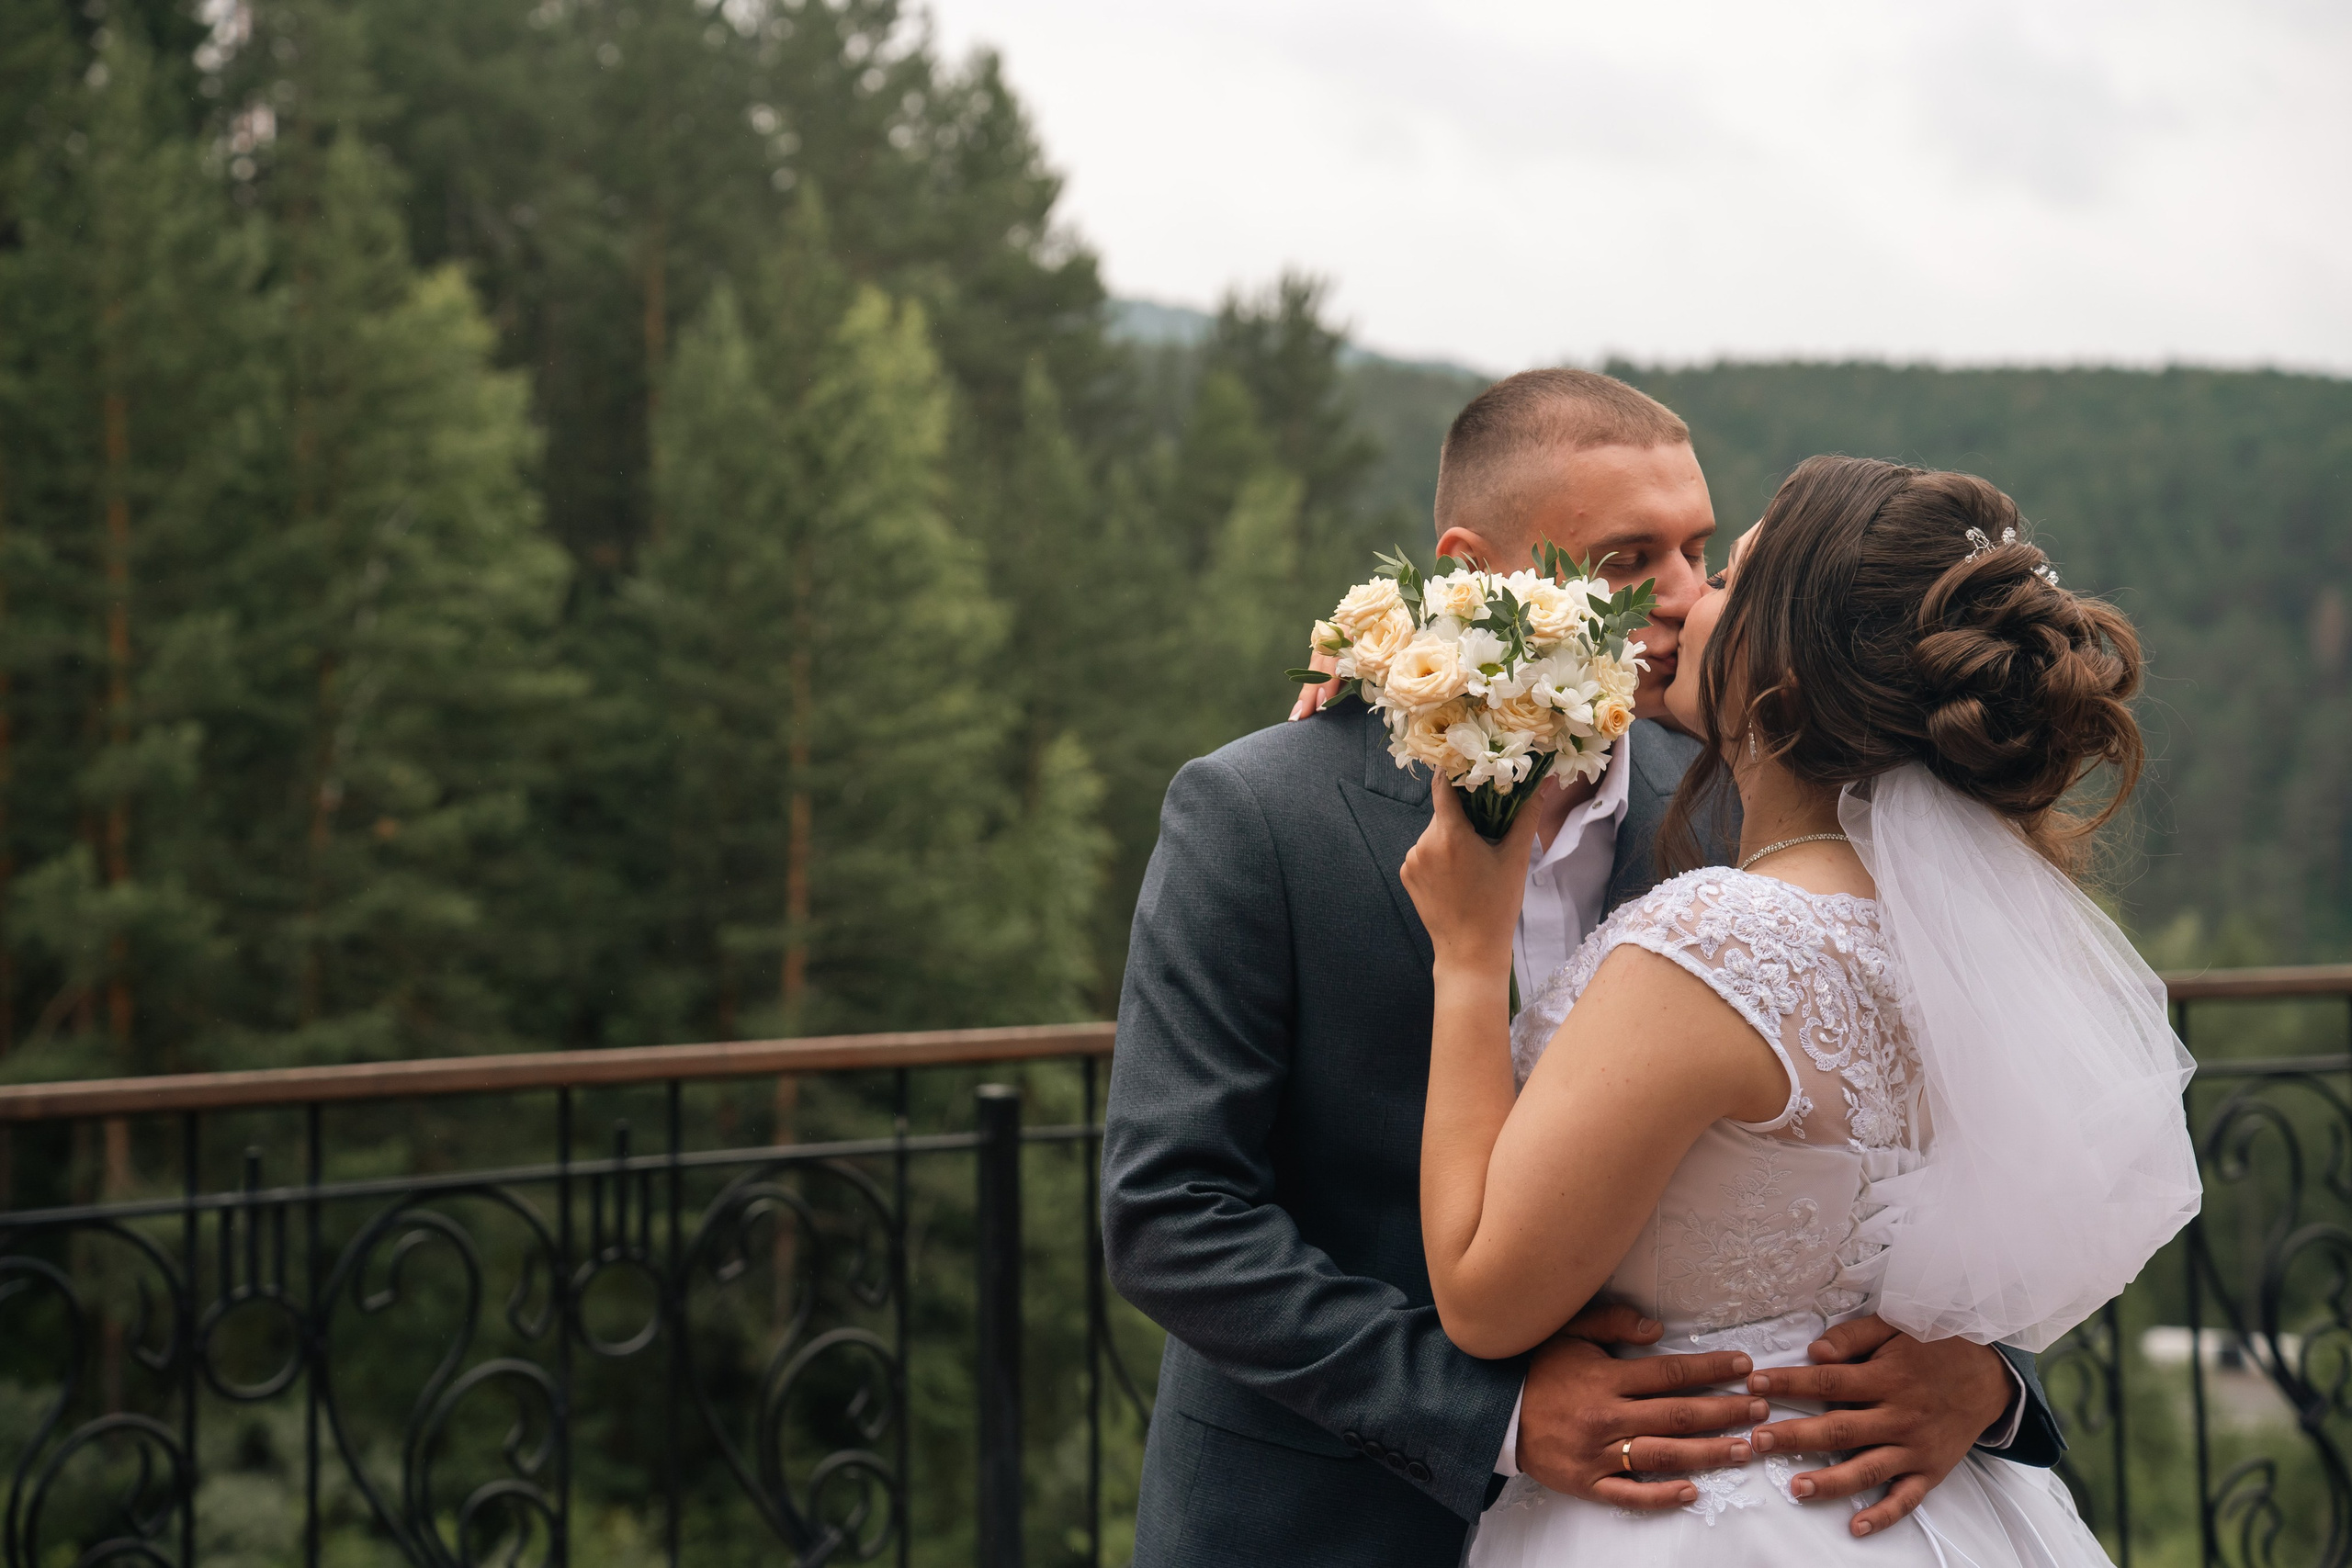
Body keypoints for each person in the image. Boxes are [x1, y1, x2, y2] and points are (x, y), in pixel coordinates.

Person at [1102, 372, 2064, 1568]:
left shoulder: (1742, 821)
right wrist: (1489, 1416)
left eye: (1701, 553)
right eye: (1624, 561)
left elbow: (1938, 1149)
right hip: (1323, 1518)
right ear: (1473, 565)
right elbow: (1170, 1210)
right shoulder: (1261, 810)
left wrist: (1989, 1377)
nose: (1676, 597)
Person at [1401, 454, 2199, 1563]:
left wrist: (1468, 953)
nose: (1683, 601)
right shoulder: (1946, 935)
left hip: (1707, 1515)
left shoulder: (1717, 944)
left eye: (1724, 576)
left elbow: (1485, 1302)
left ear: (1781, 663)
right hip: (1932, 1515)